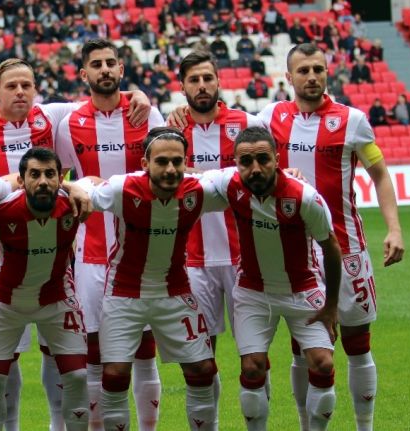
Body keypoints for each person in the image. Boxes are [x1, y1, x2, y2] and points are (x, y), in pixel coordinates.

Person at [0, 56, 150, 431]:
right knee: (5, 357)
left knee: (55, 351)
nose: (20, 92)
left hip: (55, 258)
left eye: (26, 85)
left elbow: (102, 94)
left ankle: (57, 425)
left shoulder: (52, 116)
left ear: (36, 90)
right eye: (11, 86)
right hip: (0, 260)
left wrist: (135, 94)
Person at [258, 43, 404, 431]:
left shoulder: (352, 120)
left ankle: (364, 427)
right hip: (295, 254)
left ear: (327, 72)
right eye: (303, 70)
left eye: (318, 69)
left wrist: (394, 229)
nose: (312, 77)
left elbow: (380, 174)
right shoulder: (271, 117)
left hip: (347, 248)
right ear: (288, 77)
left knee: (357, 343)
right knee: (303, 349)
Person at [78, 127, 222, 431]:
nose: (170, 169)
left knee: (202, 368)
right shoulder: (122, 188)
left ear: (186, 163)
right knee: (115, 374)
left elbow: (237, 179)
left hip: (175, 291)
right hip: (124, 293)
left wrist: (288, 174)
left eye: (177, 162)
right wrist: (76, 185)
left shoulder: (198, 191)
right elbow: (84, 191)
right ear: (145, 164)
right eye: (162, 162)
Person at [55, 38, 165, 431]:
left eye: (110, 63)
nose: (104, 69)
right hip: (91, 253)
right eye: (96, 64)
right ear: (83, 74)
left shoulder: (147, 114)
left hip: (142, 251)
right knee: (94, 349)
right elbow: (60, 180)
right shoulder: (69, 123)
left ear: (121, 68)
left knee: (145, 349)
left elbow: (166, 172)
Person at [209, 126, 341, 431]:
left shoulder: (304, 196)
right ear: (236, 163)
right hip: (253, 292)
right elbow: (189, 177)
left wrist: (332, 305)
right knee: (252, 368)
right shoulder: (230, 183)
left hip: (303, 289)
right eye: (246, 161)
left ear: (277, 159)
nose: (255, 168)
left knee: (323, 363)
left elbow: (331, 247)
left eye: (263, 159)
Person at [170, 50, 265, 429]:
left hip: (246, 261)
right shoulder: (170, 134)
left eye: (207, 78)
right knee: (200, 363)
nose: (202, 86)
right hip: (193, 263)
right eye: (194, 80)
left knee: (255, 361)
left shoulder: (247, 124)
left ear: (219, 80)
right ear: (182, 87)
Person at [0, 147, 90, 431]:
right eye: (35, 174)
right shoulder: (0, 211)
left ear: (60, 178)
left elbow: (103, 184)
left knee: (78, 376)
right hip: (5, 302)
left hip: (57, 298)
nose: (42, 181)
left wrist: (76, 187)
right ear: (21, 180)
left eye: (50, 174)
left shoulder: (74, 204)